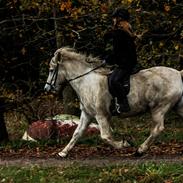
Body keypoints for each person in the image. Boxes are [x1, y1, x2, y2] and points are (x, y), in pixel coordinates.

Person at [104, 7, 137, 113]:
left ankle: (124, 104)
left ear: (119, 19)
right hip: (125, 61)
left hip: (126, 63)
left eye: (114, 18)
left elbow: (116, 52)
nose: (113, 20)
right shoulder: (123, 31)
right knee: (109, 78)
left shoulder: (121, 33)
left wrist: (106, 61)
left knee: (114, 80)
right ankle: (115, 102)